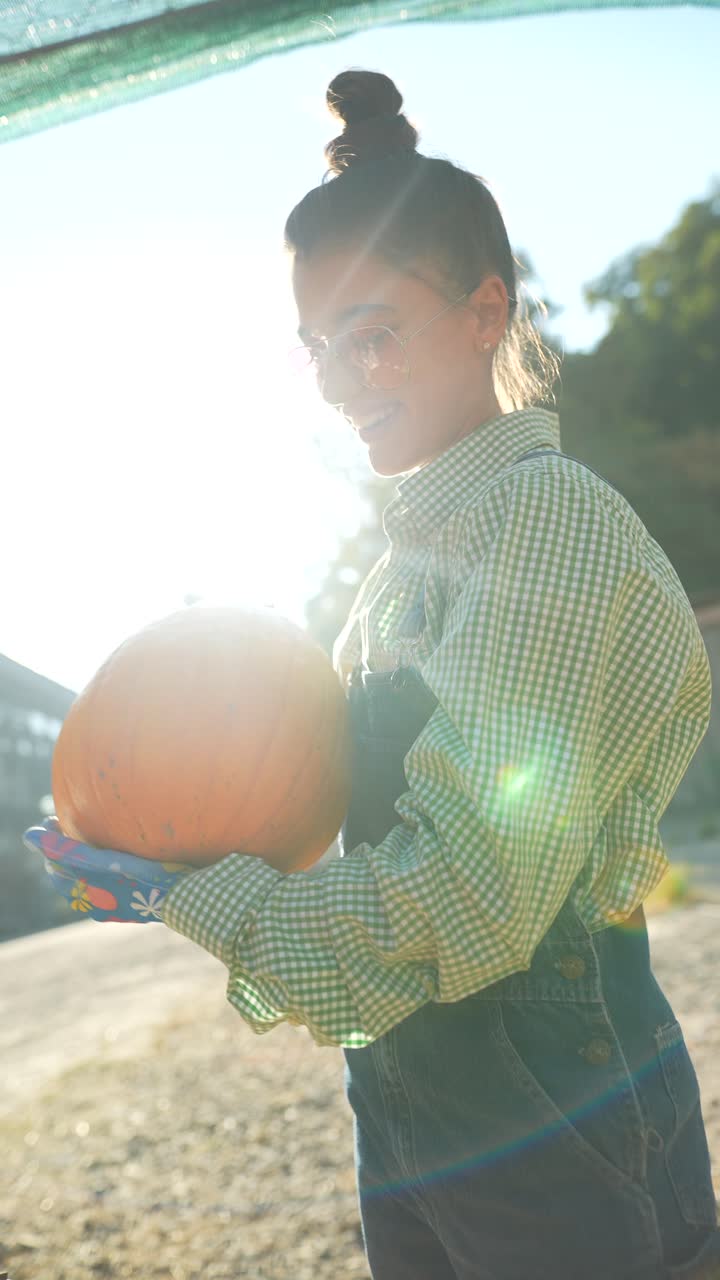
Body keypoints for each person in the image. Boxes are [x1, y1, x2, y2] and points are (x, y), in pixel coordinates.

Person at [25, 70, 720, 1280]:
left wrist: (193, 897)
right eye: (317, 348)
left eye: (375, 332)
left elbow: (470, 896)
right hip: (406, 1096)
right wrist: (173, 850)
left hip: (558, 1106)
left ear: (486, 311)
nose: (342, 381)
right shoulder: (395, 577)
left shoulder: (543, 524)